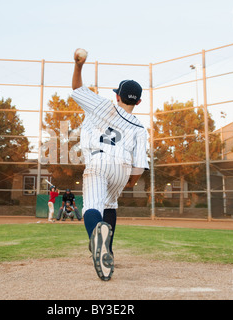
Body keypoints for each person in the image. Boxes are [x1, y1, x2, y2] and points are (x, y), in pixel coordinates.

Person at [71, 49, 149, 281]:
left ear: (117, 96)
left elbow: (76, 89)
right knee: (110, 205)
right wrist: (130, 181)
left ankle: (98, 243)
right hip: (123, 167)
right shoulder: (139, 127)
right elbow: (139, 167)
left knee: (91, 208)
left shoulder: (102, 105)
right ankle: (109, 252)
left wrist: (78, 65)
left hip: (98, 161)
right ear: (139, 101)